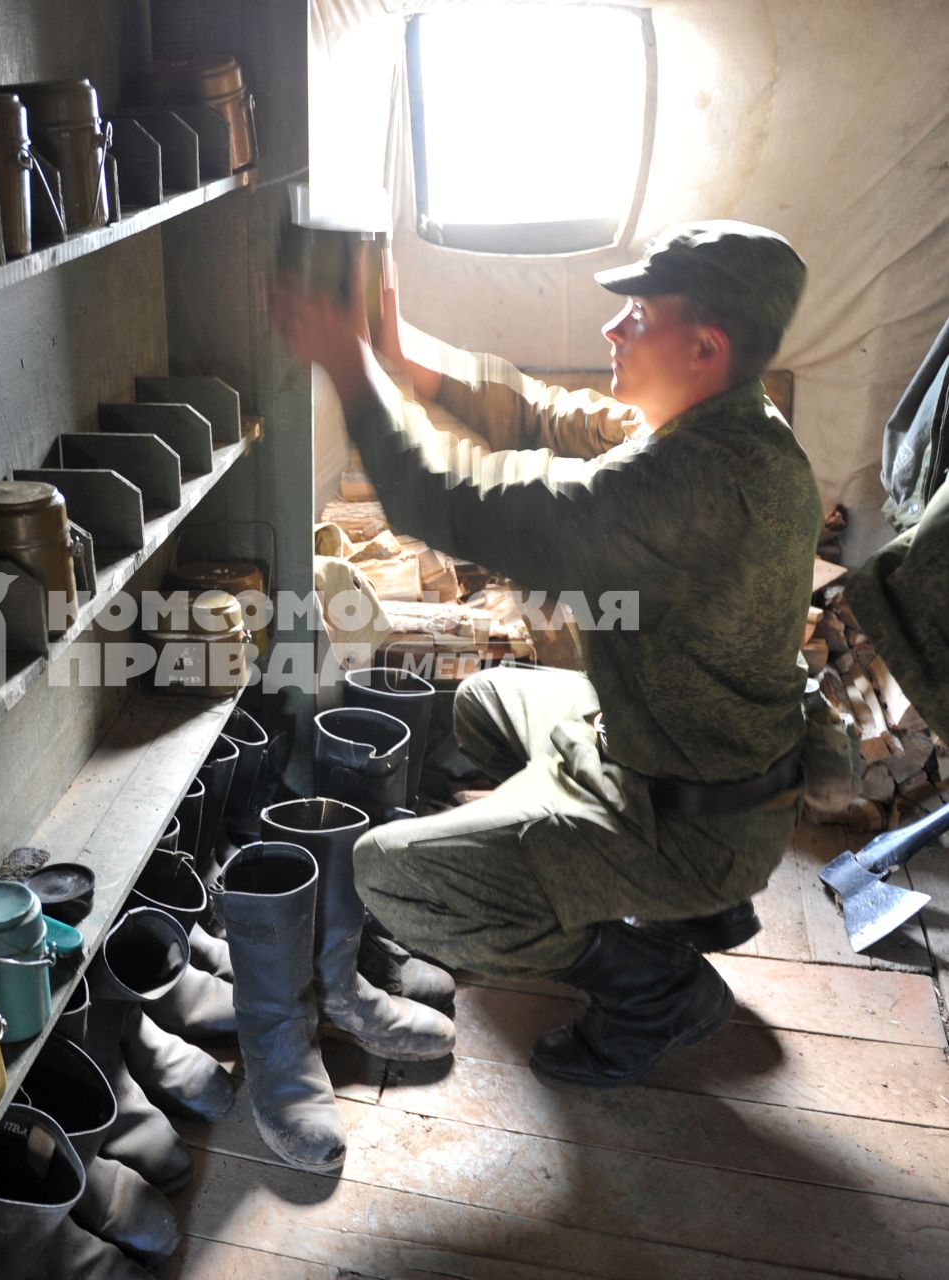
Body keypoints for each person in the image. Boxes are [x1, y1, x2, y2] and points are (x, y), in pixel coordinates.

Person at [271, 221, 822, 1088]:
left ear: (706, 344)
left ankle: (652, 985)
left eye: (638, 314)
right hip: (685, 758)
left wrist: (348, 366)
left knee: (390, 876)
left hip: (682, 815)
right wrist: (407, 356)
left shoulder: (690, 489)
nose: (614, 330)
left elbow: (447, 498)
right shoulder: (735, 423)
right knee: (481, 699)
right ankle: (648, 896)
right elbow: (548, 414)